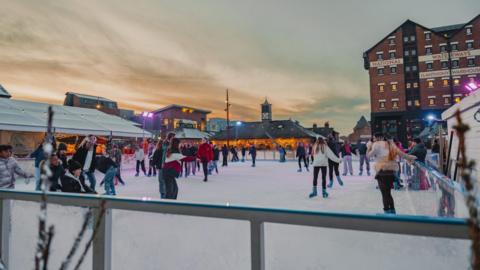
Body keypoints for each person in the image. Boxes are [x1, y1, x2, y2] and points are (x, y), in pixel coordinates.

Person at [368, 133, 416, 214]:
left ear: (379, 137)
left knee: (384, 194)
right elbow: (402, 154)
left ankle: (387, 212)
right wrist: (411, 157)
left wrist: (369, 147)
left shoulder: (376, 144)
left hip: (382, 171)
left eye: (375, 138)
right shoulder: (391, 144)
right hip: (391, 172)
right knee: (388, 193)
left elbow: (369, 155)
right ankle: (393, 211)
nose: (374, 139)